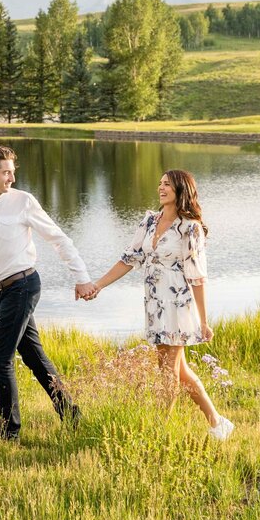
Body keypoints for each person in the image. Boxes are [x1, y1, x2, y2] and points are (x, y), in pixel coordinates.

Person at [0, 144, 98, 440]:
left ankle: (9, 432)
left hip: (25, 285)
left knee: (0, 358)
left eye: (12, 172)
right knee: (33, 357)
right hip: (1, 291)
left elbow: (59, 239)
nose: (11, 178)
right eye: (6, 173)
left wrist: (81, 277)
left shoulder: (23, 201)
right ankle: (71, 413)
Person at [86, 169, 234, 441]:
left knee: (168, 371)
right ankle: (218, 423)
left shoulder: (190, 228)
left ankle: (158, 432)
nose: (161, 187)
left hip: (179, 305)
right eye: (160, 183)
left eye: (167, 184)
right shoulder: (150, 221)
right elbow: (128, 260)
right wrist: (98, 285)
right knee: (177, 369)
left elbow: (198, 278)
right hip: (155, 304)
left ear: (181, 189)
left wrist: (203, 321)